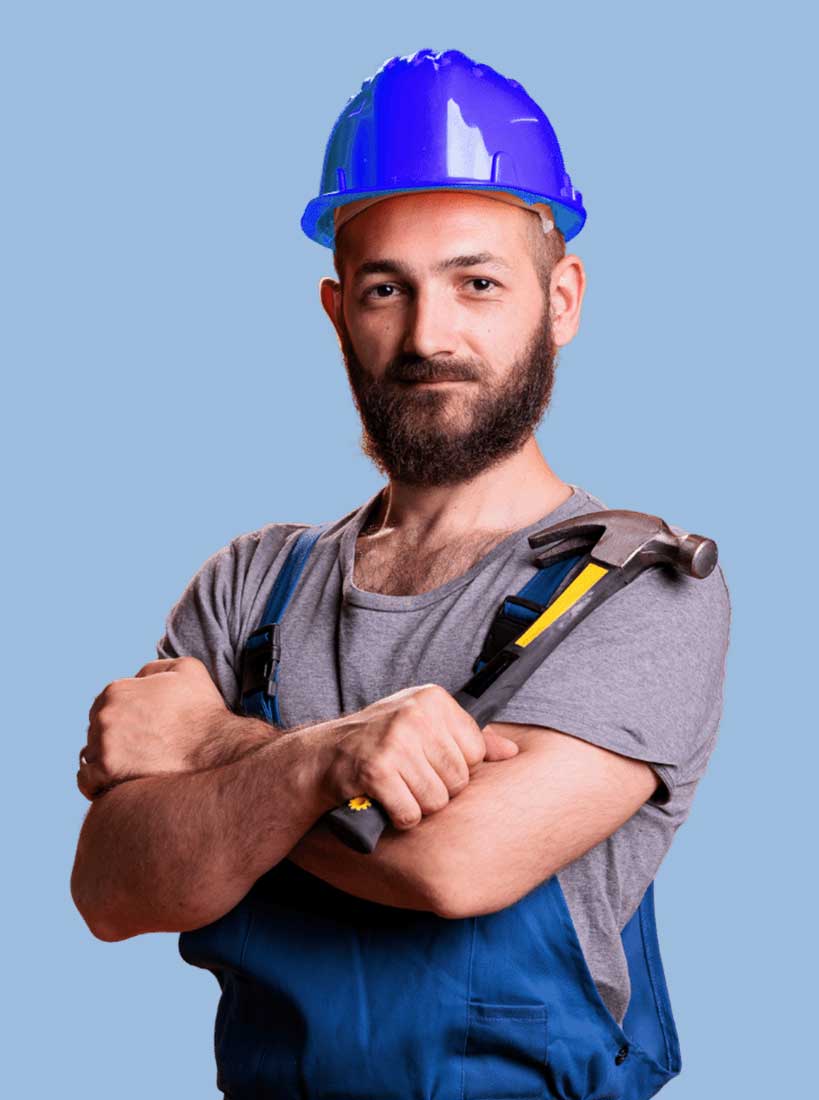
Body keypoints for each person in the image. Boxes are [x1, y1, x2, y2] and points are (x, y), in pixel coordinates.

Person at [71, 48, 731, 1099]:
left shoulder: (641, 585)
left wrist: (211, 750)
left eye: (478, 282)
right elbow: (112, 884)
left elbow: (454, 862)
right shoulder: (252, 585)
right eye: (388, 288)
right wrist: (324, 763)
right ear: (338, 310)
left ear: (561, 299)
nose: (431, 336)